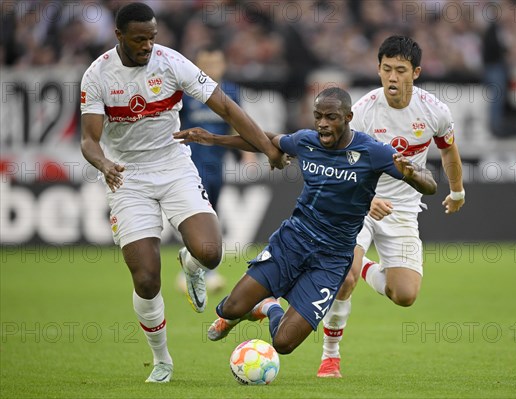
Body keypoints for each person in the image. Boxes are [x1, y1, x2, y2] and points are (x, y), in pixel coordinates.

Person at [79, 2, 285, 383]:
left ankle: (191, 267)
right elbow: (89, 141)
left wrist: (268, 148)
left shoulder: (171, 62)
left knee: (210, 253)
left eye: (152, 38)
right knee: (146, 278)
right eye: (139, 39)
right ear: (118, 36)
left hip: (174, 166)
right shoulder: (97, 76)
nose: (147, 46)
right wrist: (104, 164)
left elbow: (225, 106)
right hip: (127, 177)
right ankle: (162, 360)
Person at [173, 87, 437, 355]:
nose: (323, 123)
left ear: (348, 117)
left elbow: (431, 186)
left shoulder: (372, 152)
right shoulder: (306, 141)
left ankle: (271, 306)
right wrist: (213, 138)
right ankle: (262, 303)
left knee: (283, 343)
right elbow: (266, 140)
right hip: (292, 242)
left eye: (331, 117)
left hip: (331, 260)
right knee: (230, 309)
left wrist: (415, 175)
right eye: (318, 116)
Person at [317, 35, 465, 378]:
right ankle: (330, 356)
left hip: (403, 207)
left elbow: (448, 150)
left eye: (401, 70)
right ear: (379, 70)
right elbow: (339, 167)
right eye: (386, 69)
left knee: (405, 295)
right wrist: (367, 200)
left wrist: (456, 191)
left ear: (416, 72)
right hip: (359, 202)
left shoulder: (434, 111)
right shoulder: (364, 111)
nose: (392, 77)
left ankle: (366, 267)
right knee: (345, 276)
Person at [176, 45, 253, 293]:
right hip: (190, 165)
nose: (210, 70)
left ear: (223, 65)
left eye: (215, 64)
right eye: (205, 65)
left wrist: (247, 153)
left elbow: (236, 124)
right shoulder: (186, 93)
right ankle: (205, 271)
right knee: (203, 217)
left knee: (213, 214)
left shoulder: (230, 92)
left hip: (217, 165)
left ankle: (190, 266)